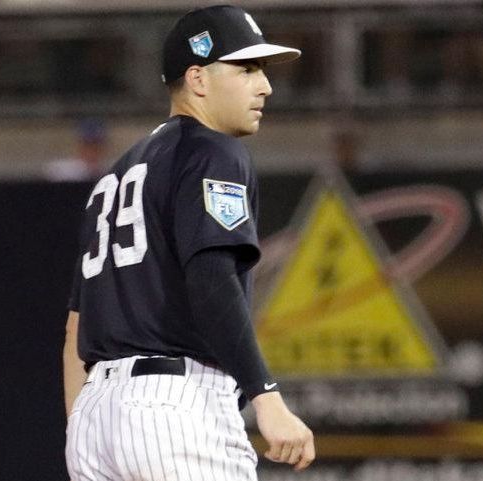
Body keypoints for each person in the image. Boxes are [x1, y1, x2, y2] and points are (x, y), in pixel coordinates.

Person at [62, 5, 315, 480]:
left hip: (95, 414)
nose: (265, 86)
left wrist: (81, 426)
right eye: (246, 68)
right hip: (175, 406)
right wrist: (266, 396)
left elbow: (77, 327)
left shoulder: (116, 175)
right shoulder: (212, 150)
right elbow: (212, 278)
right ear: (197, 78)